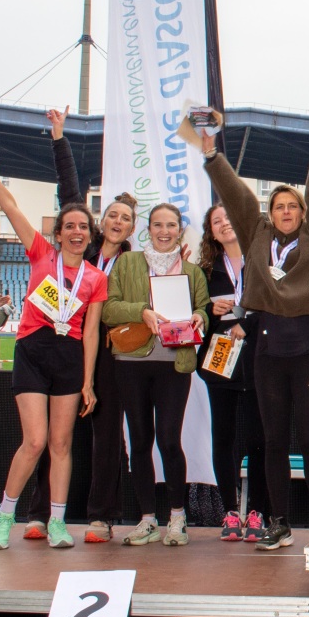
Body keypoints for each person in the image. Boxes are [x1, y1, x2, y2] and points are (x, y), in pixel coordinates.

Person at [200, 109, 309, 546]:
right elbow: (236, 195)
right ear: (270, 213)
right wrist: (212, 156)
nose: (286, 211)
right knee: (275, 440)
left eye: (292, 206)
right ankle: (278, 522)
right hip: (268, 351)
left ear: (302, 213)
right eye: (279, 206)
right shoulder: (256, 235)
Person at [0, 126, 107, 550]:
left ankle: (58, 522)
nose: (77, 231)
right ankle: (4, 515)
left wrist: (88, 381)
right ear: (58, 233)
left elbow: (91, 332)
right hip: (33, 349)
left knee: (62, 444)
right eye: (70, 226)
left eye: (84, 226)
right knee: (35, 441)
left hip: (69, 357)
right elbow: (10, 207)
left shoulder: (96, 278)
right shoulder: (40, 254)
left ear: (90, 235)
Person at [38, 106, 135, 542]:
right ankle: (41, 512)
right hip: (65, 346)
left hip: (110, 356)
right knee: (55, 434)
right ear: (102, 220)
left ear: (131, 228)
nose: (117, 222)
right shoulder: (80, 248)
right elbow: (70, 192)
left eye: (125, 218)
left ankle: (101, 516)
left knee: (107, 437)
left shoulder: (133, 264)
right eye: (112, 215)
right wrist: (59, 138)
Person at [104, 202, 209, 547]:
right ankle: (147, 518)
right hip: (131, 362)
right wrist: (142, 311)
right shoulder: (127, 263)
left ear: (180, 231)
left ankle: (177, 516)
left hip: (173, 364)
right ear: (147, 229)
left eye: (171, 225)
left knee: (169, 440)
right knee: (139, 441)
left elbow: (203, 309)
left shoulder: (192, 272)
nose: (165, 231)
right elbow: (109, 308)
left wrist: (201, 317)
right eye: (158, 225)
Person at [198, 200, 268, 541]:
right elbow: (195, 315)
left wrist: (248, 323)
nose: (224, 223)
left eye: (229, 216)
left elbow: (276, 305)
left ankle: (257, 512)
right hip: (220, 361)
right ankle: (229, 510)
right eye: (217, 221)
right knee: (223, 438)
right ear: (211, 232)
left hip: (258, 361)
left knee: (259, 439)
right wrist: (210, 311)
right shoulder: (205, 271)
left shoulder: (264, 261)